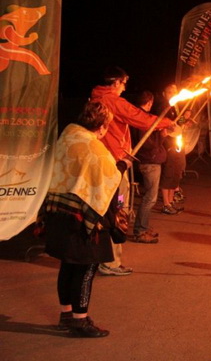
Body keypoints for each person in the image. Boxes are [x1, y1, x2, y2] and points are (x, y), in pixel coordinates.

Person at [41, 101, 129, 337]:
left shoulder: (68, 136)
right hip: (82, 217)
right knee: (86, 266)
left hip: (59, 211)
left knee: (68, 264)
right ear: (101, 126)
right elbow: (108, 182)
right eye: (106, 126)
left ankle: (66, 315)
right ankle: (80, 321)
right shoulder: (94, 149)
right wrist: (121, 166)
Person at [90, 66, 174, 275]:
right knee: (118, 210)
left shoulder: (96, 97)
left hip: (111, 163)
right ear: (116, 82)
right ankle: (110, 261)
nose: (124, 87)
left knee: (114, 207)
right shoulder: (110, 100)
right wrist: (166, 122)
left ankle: (104, 256)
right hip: (114, 166)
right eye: (124, 83)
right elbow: (139, 117)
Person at [130, 90, 168, 244]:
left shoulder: (142, 118)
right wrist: (160, 138)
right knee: (149, 198)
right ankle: (140, 230)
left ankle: (143, 227)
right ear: (149, 102)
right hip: (148, 162)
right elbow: (145, 143)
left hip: (150, 161)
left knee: (150, 197)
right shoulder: (141, 120)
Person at [155, 83, 186, 215]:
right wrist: (167, 129)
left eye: (174, 91)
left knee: (177, 171)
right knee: (169, 172)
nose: (173, 94)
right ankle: (166, 204)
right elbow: (160, 125)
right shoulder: (163, 107)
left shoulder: (175, 107)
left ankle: (171, 200)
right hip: (168, 144)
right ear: (164, 94)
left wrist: (183, 122)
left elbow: (179, 121)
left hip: (177, 140)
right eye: (169, 92)